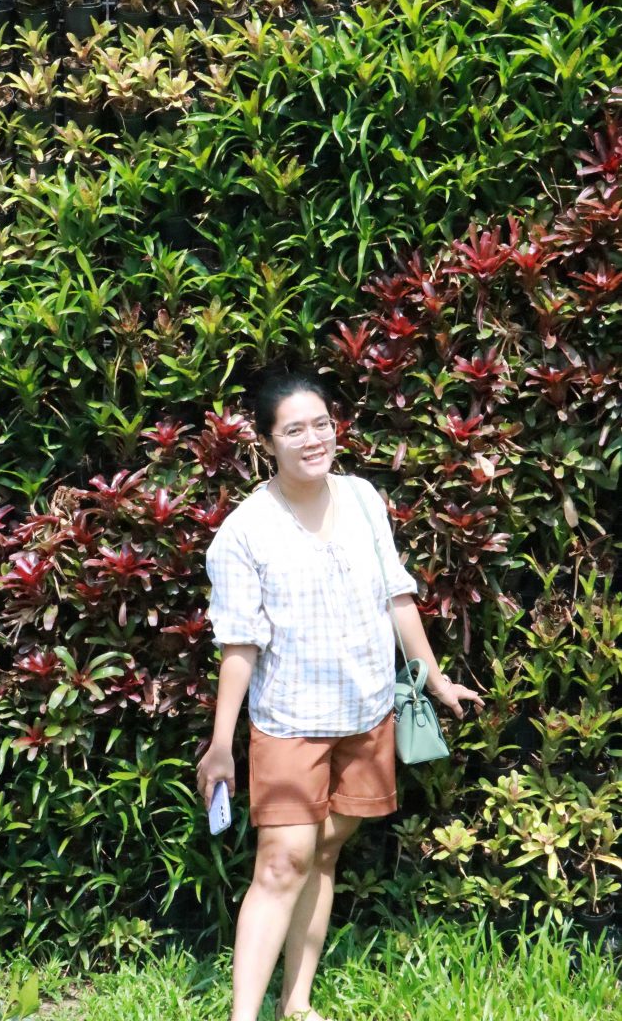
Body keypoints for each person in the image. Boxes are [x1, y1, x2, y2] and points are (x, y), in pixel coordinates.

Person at [196, 370, 485, 1021]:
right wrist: (220, 745)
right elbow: (239, 645)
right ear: (266, 442)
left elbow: (396, 596)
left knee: (323, 851)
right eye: (294, 429)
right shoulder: (245, 531)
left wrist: (435, 678)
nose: (313, 439)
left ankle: (296, 1003)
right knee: (281, 863)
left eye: (322, 424)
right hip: (291, 720)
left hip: (366, 712)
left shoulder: (360, 498)